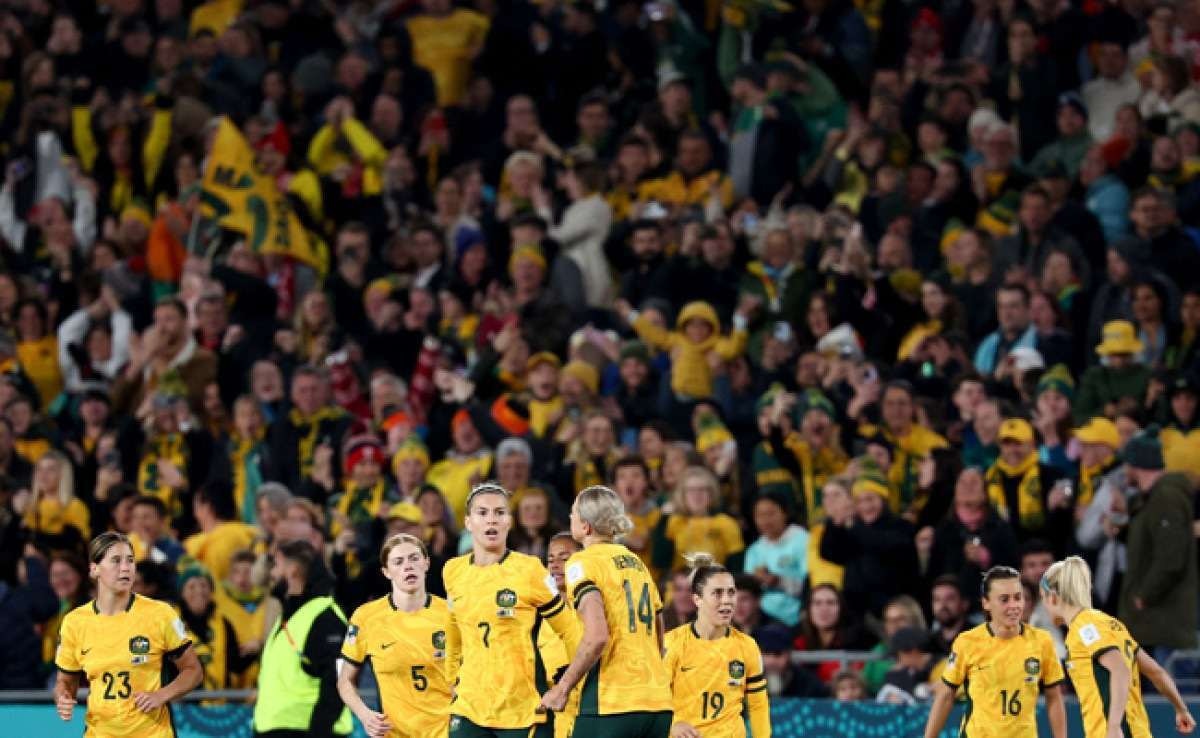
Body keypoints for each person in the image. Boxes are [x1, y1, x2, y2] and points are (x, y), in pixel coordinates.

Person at [443, 483, 579, 738]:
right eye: (482, 513)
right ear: (468, 522)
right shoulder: (453, 570)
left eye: (499, 512)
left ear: (509, 521)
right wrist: (453, 679)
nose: (491, 520)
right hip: (469, 707)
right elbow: (453, 627)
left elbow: (570, 630)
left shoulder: (530, 570)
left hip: (522, 711)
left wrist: (566, 685)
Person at [539, 485, 673, 736]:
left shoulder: (583, 562)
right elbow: (659, 640)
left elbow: (598, 635)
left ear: (586, 526)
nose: (570, 519)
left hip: (612, 703)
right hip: (658, 703)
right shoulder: (638, 564)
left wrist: (562, 688)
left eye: (573, 514)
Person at [54, 532, 203, 736]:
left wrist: (161, 695)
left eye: (130, 560)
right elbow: (65, 681)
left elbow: (193, 670)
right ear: (94, 569)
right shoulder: (75, 622)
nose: (125, 567)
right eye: (116, 561)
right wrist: (63, 697)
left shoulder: (160, 614)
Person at [1040, 556, 1196, 738]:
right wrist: (1181, 709)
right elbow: (1156, 672)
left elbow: (1120, 668)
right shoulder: (1109, 623)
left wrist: (1113, 726)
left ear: (1052, 597)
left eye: (1042, 598)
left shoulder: (1085, 627)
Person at [925, 565, 1067, 738]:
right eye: (1004, 599)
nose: (1014, 605)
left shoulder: (1042, 641)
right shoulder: (968, 642)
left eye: (1018, 597)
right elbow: (946, 696)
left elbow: (1054, 697)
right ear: (986, 602)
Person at [338, 533, 452, 738]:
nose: (408, 566)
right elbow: (345, 680)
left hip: (447, 731)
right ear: (386, 572)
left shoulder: (450, 615)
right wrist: (365, 715)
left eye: (414, 558)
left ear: (426, 563)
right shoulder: (367, 617)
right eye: (398, 562)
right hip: (395, 734)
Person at [663, 552, 770, 738]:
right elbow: (652, 699)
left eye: (731, 592)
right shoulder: (671, 644)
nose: (727, 600)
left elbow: (758, 704)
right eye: (717, 593)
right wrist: (671, 725)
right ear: (697, 599)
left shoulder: (747, 646)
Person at [253, 539, 353, 738]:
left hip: (308, 731)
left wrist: (318, 733)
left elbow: (336, 682)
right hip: (279, 730)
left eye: (277, 565)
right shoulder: (289, 616)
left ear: (294, 571)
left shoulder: (325, 616)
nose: (272, 574)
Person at [1117, 426, 1198, 661]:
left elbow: (1171, 558)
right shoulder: (1151, 499)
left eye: (1127, 464)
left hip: (1164, 624)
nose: (1124, 470)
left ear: (1135, 464)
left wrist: (1144, 596)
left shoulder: (1166, 497)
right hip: (1152, 624)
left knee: (1165, 694)